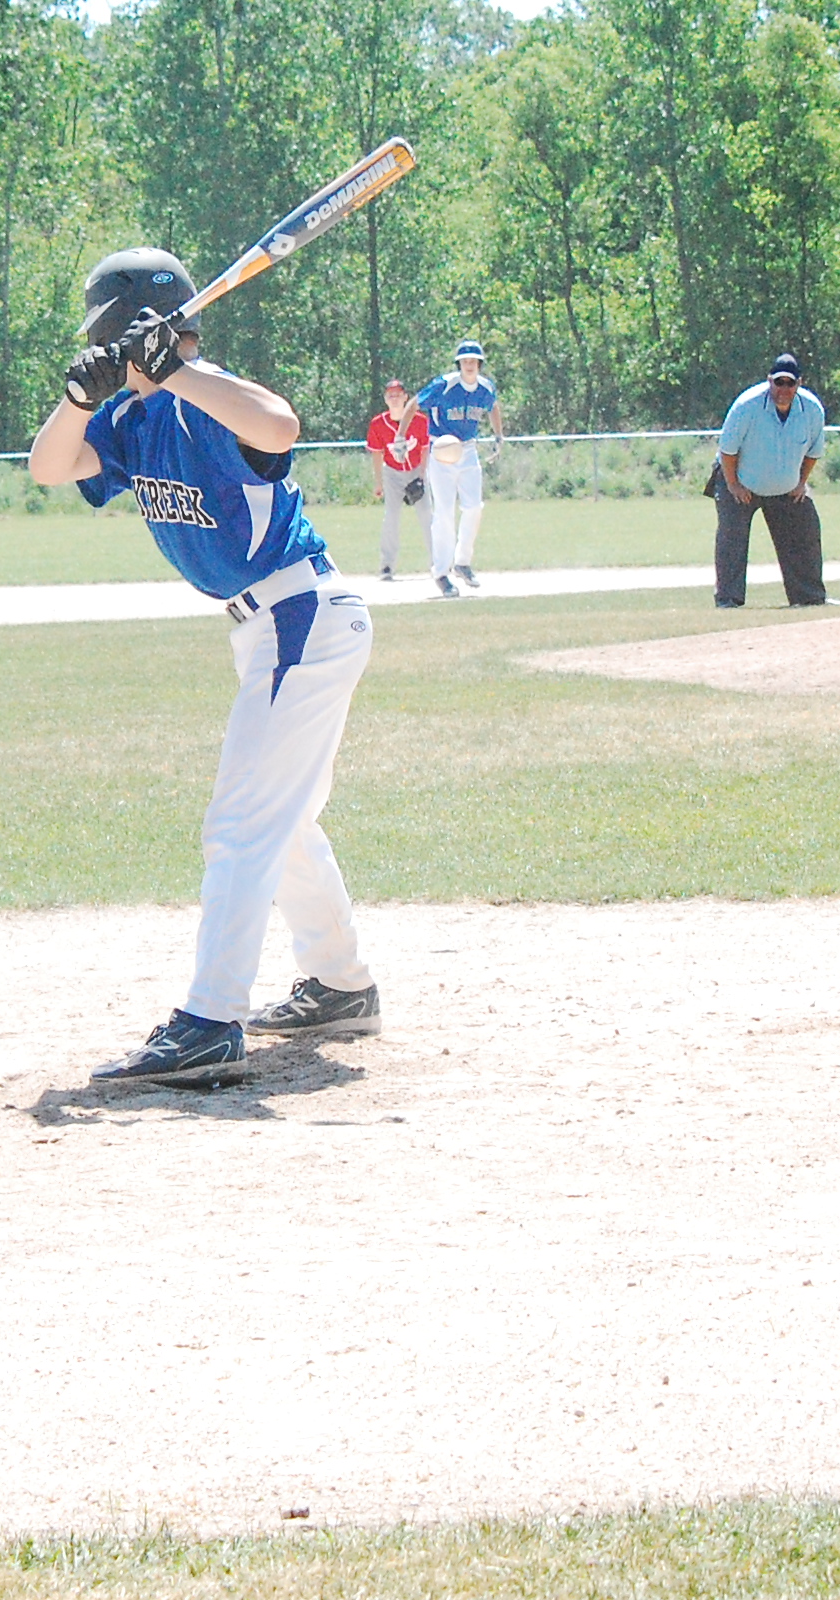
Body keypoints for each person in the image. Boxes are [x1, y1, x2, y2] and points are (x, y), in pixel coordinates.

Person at [28, 249, 381, 1087]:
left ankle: (211, 1021)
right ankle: (340, 984)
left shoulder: (207, 396)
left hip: (300, 614)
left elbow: (279, 427)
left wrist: (179, 370)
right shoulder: (130, 419)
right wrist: (78, 399)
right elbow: (49, 467)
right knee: (281, 820)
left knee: (242, 823)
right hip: (265, 629)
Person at [711, 353, 831, 609]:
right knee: (732, 537)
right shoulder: (747, 406)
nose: (783, 389)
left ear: (799, 383)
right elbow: (728, 451)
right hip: (739, 482)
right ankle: (728, 599)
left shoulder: (812, 409)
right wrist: (733, 485)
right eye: (779, 382)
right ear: (769, 381)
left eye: (790, 383)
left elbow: (813, 452)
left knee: (806, 530)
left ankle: (809, 597)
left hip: (785, 488)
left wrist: (801, 482)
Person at [413, 340, 502, 596]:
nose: (469, 364)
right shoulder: (444, 384)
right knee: (443, 513)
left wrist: (498, 436)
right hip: (441, 449)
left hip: (468, 450)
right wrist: (399, 437)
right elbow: (414, 404)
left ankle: (462, 563)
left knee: (474, 507)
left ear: (480, 363)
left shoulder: (485, 387)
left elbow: (493, 406)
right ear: (459, 364)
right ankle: (441, 573)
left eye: (473, 360)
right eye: (465, 361)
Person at [365, 378, 431, 581]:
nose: (394, 398)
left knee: (427, 516)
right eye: (390, 395)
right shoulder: (378, 423)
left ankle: (439, 563)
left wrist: (421, 477)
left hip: (416, 471)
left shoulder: (419, 420)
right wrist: (378, 482)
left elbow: (425, 449)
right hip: (392, 473)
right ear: (385, 399)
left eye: (398, 394)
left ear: (405, 398)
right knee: (391, 518)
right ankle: (387, 566)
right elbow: (377, 453)